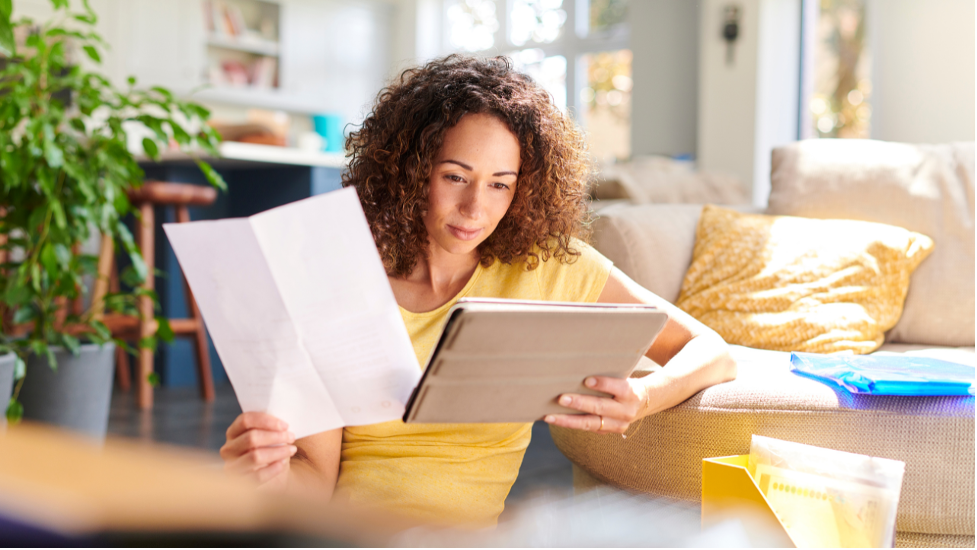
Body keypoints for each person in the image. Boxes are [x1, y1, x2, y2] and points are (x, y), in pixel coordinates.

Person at [220, 55, 736, 527]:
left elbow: (711, 351)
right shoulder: (340, 276)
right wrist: (268, 474)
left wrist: (644, 397)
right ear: (410, 169)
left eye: (500, 184)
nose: (475, 209)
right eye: (455, 177)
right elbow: (315, 483)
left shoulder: (549, 266)